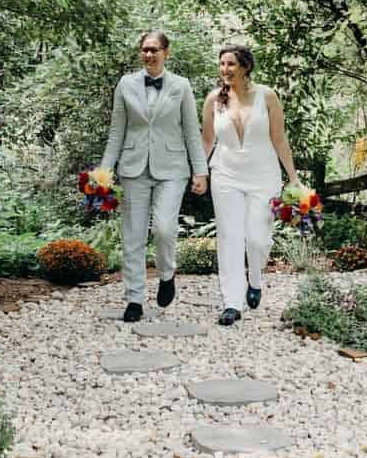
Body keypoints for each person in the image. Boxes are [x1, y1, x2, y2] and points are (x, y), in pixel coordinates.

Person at [101, 30, 209, 323]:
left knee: (164, 228)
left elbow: (190, 130)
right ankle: (134, 298)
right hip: (133, 167)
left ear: (166, 53)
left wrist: (201, 170)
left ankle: (166, 274)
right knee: (133, 235)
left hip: (172, 168)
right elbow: (116, 132)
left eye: (154, 50)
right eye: (145, 50)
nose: (149, 55)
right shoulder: (126, 84)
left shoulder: (181, 86)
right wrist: (104, 172)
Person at [201, 45, 301, 326]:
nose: (225, 70)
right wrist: (199, 172)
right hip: (225, 174)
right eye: (221, 64)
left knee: (258, 238)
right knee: (229, 237)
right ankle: (232, 302)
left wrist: (293, 177)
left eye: (230, 64)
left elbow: (280, 139)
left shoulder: (267, 96)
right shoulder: (213, 100)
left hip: (263, 175)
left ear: (245, 67)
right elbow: (207, 141)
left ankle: (255, 278)